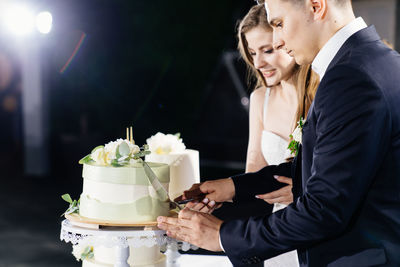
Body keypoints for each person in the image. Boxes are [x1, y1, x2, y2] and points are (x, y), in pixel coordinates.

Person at [157, 0, 400, 266]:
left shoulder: (350, 77)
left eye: (280, 24)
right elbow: (323, 168)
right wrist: (234, 187)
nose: (280, 41)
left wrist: (222, 236)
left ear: (316, 6)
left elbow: (324, 209)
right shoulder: (381, 61)